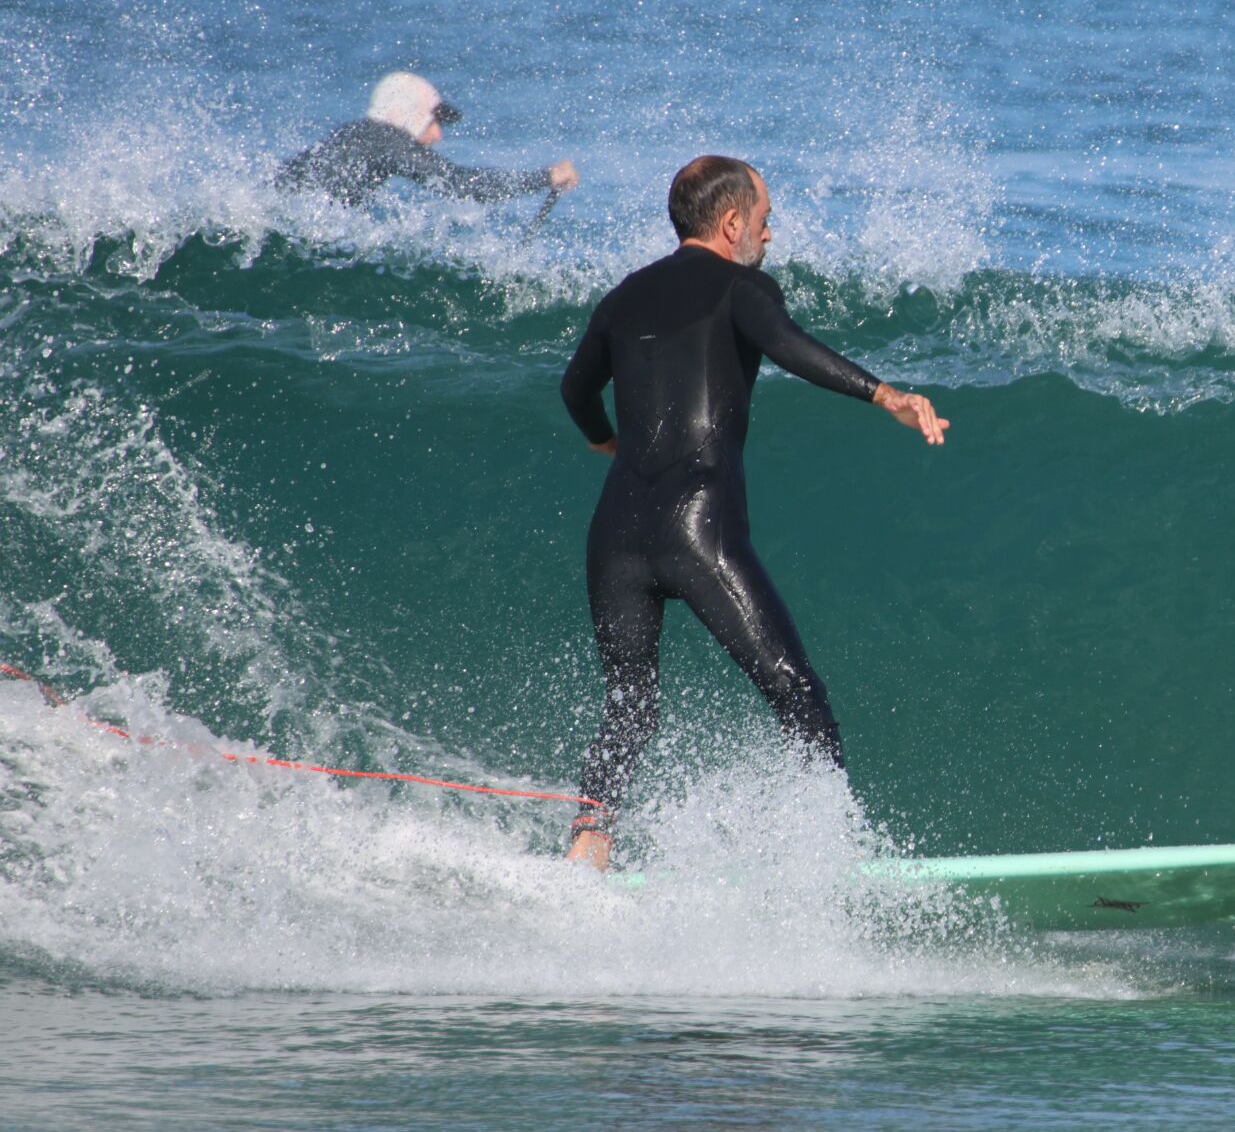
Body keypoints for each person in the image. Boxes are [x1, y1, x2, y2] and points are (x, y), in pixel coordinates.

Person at [557, 155, 949, 870]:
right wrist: (883, 394)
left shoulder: (622, 298)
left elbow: (574, 389)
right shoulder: (741, 286)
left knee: (630, 705)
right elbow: (790, 347)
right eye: (764, 220)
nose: (769, 235)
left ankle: (589, 845)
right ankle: (828, 857)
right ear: (733, 222)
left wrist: (606, 442)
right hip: (696, 529)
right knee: (796, 691)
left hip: (615, 533)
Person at [276, 71, 579, 206]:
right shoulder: (386, 140)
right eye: (433, 120)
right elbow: (460, 184)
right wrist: (546, 177)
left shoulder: (351, 134)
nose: (437, 134)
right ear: (408, 111)